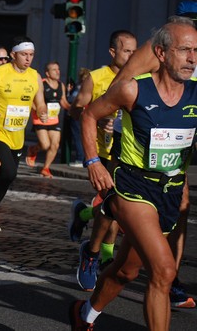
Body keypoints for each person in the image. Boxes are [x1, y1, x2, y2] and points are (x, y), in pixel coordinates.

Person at [69, 18, 197, 331]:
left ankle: (84, 314)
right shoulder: (132, 90)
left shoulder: (195, 94)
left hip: (169, 191)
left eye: (196, 51)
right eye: (184, 51)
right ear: (162, 54)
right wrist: (93, 162)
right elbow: (89, 115)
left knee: (126, 271)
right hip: (134, 188)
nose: (192, 58)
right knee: (164, 272)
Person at [68, 30, 136, 291]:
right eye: (127, 51)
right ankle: (99, 253)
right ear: (113, 52)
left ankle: (83, 214)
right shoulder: (96, 78)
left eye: (134, 50)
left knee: (118, 202)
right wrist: (97, 116)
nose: (132, 55)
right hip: (101, 152)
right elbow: (77, 112)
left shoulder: (139, 77)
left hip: (126, 152)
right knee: (112, 201)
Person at [0, 36, 47, 232]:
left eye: (31, 55)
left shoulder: (35, 77)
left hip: (17, 135)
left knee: (8, 178)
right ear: (13, 54)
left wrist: (42, 111)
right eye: (24, 54)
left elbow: (39, 101)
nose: (28, 59)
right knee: (9, 171)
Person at [25, 61, 71, 177]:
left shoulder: (61, 85)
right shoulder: (42, 84)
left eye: (58, 69)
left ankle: (46, 168)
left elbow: (63, 101)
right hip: (41, 119)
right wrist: (38, 111)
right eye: (54, 70)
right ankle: (33, 149)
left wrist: (73, 109)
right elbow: (32, 100)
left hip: (54, 119)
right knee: (45, 145)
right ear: (47, 73)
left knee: (55, 144)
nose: (57, 72)